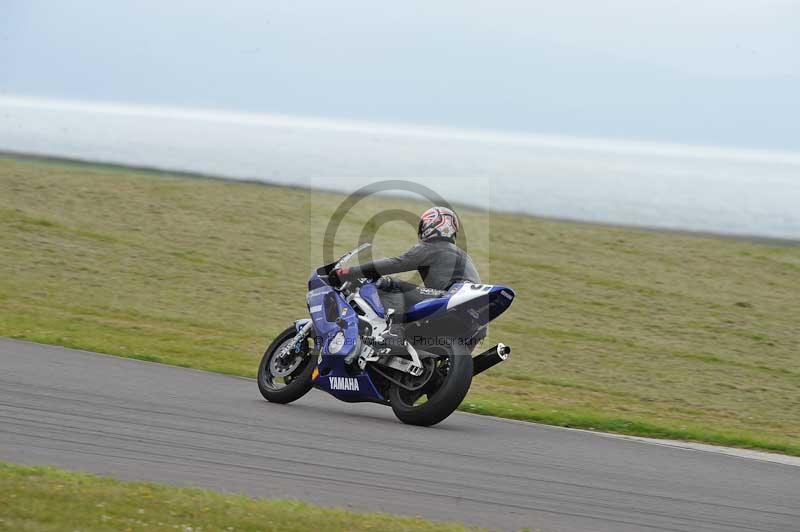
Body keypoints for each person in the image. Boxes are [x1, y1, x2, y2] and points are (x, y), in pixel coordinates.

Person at [332, 206, 481, 325]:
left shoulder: (432, 247)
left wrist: (348, 272)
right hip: (472, 318)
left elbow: (395, 264)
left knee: (391, 284)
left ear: (430, 225)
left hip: (448, 300)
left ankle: (393, 330)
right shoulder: (465, 255)